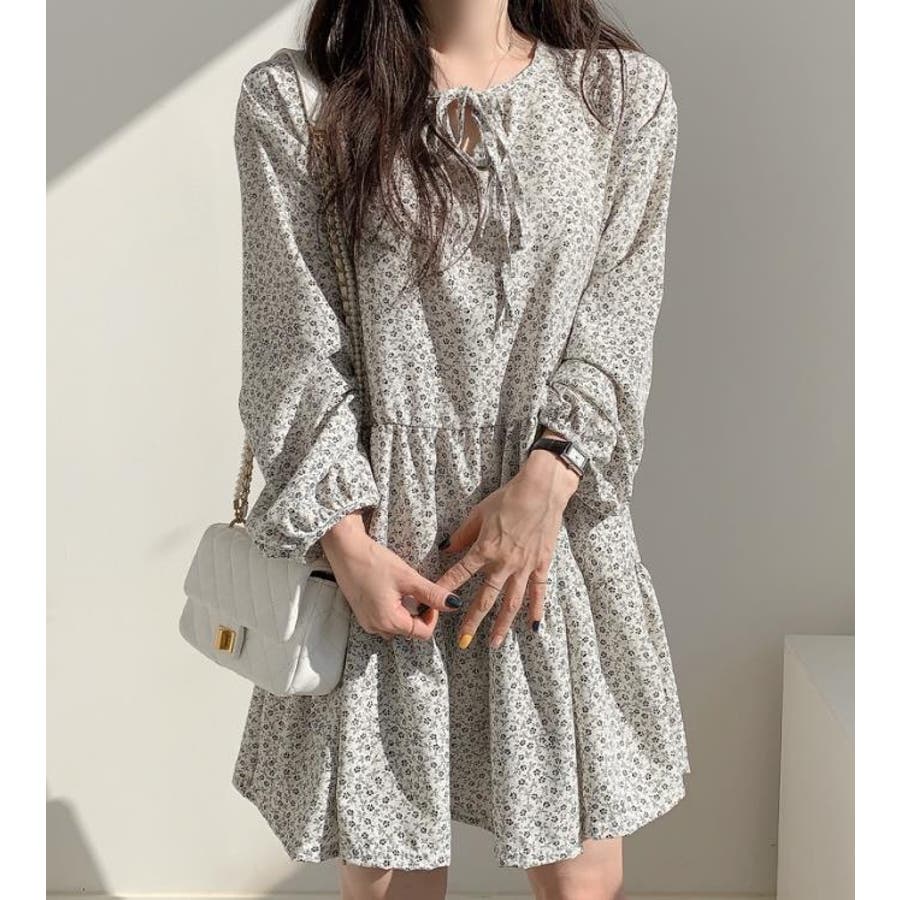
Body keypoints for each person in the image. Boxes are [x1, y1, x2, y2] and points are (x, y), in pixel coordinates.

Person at [230, 2, 690, 897]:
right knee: (394, 880)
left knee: (582, 882)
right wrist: (347, 546)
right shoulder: (299, 102)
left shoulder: (620, 97)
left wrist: (544, 485)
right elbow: (291, 344)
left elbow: (619, 322)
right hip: (384, 545)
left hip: (550, 533)